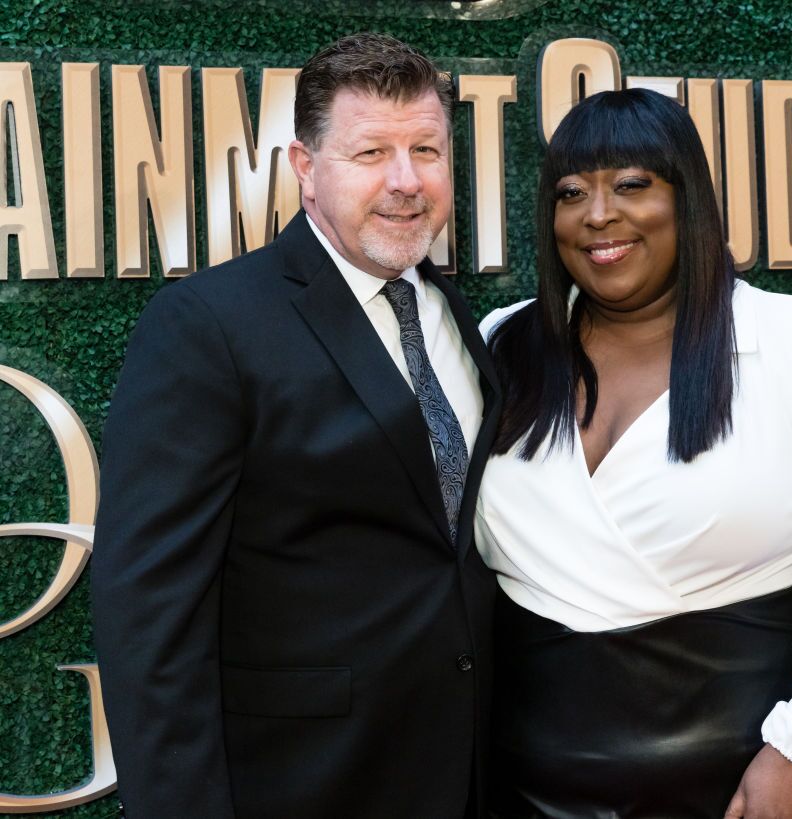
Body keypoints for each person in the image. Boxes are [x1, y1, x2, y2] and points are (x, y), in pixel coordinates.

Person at [476, 88, 792, 819]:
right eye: (572, 192)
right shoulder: (500, 345)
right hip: (525, 791)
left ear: (687, 197)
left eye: (632, 184)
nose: (599, 213)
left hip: (744, 790)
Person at [91, 33, 500, 818]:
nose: (407, 180)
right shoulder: (209, 324)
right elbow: (149, 617)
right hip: (300, 782)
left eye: (427, 149)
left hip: (465, 774)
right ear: (305, 168)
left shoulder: (454, 313)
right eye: (371, 152)